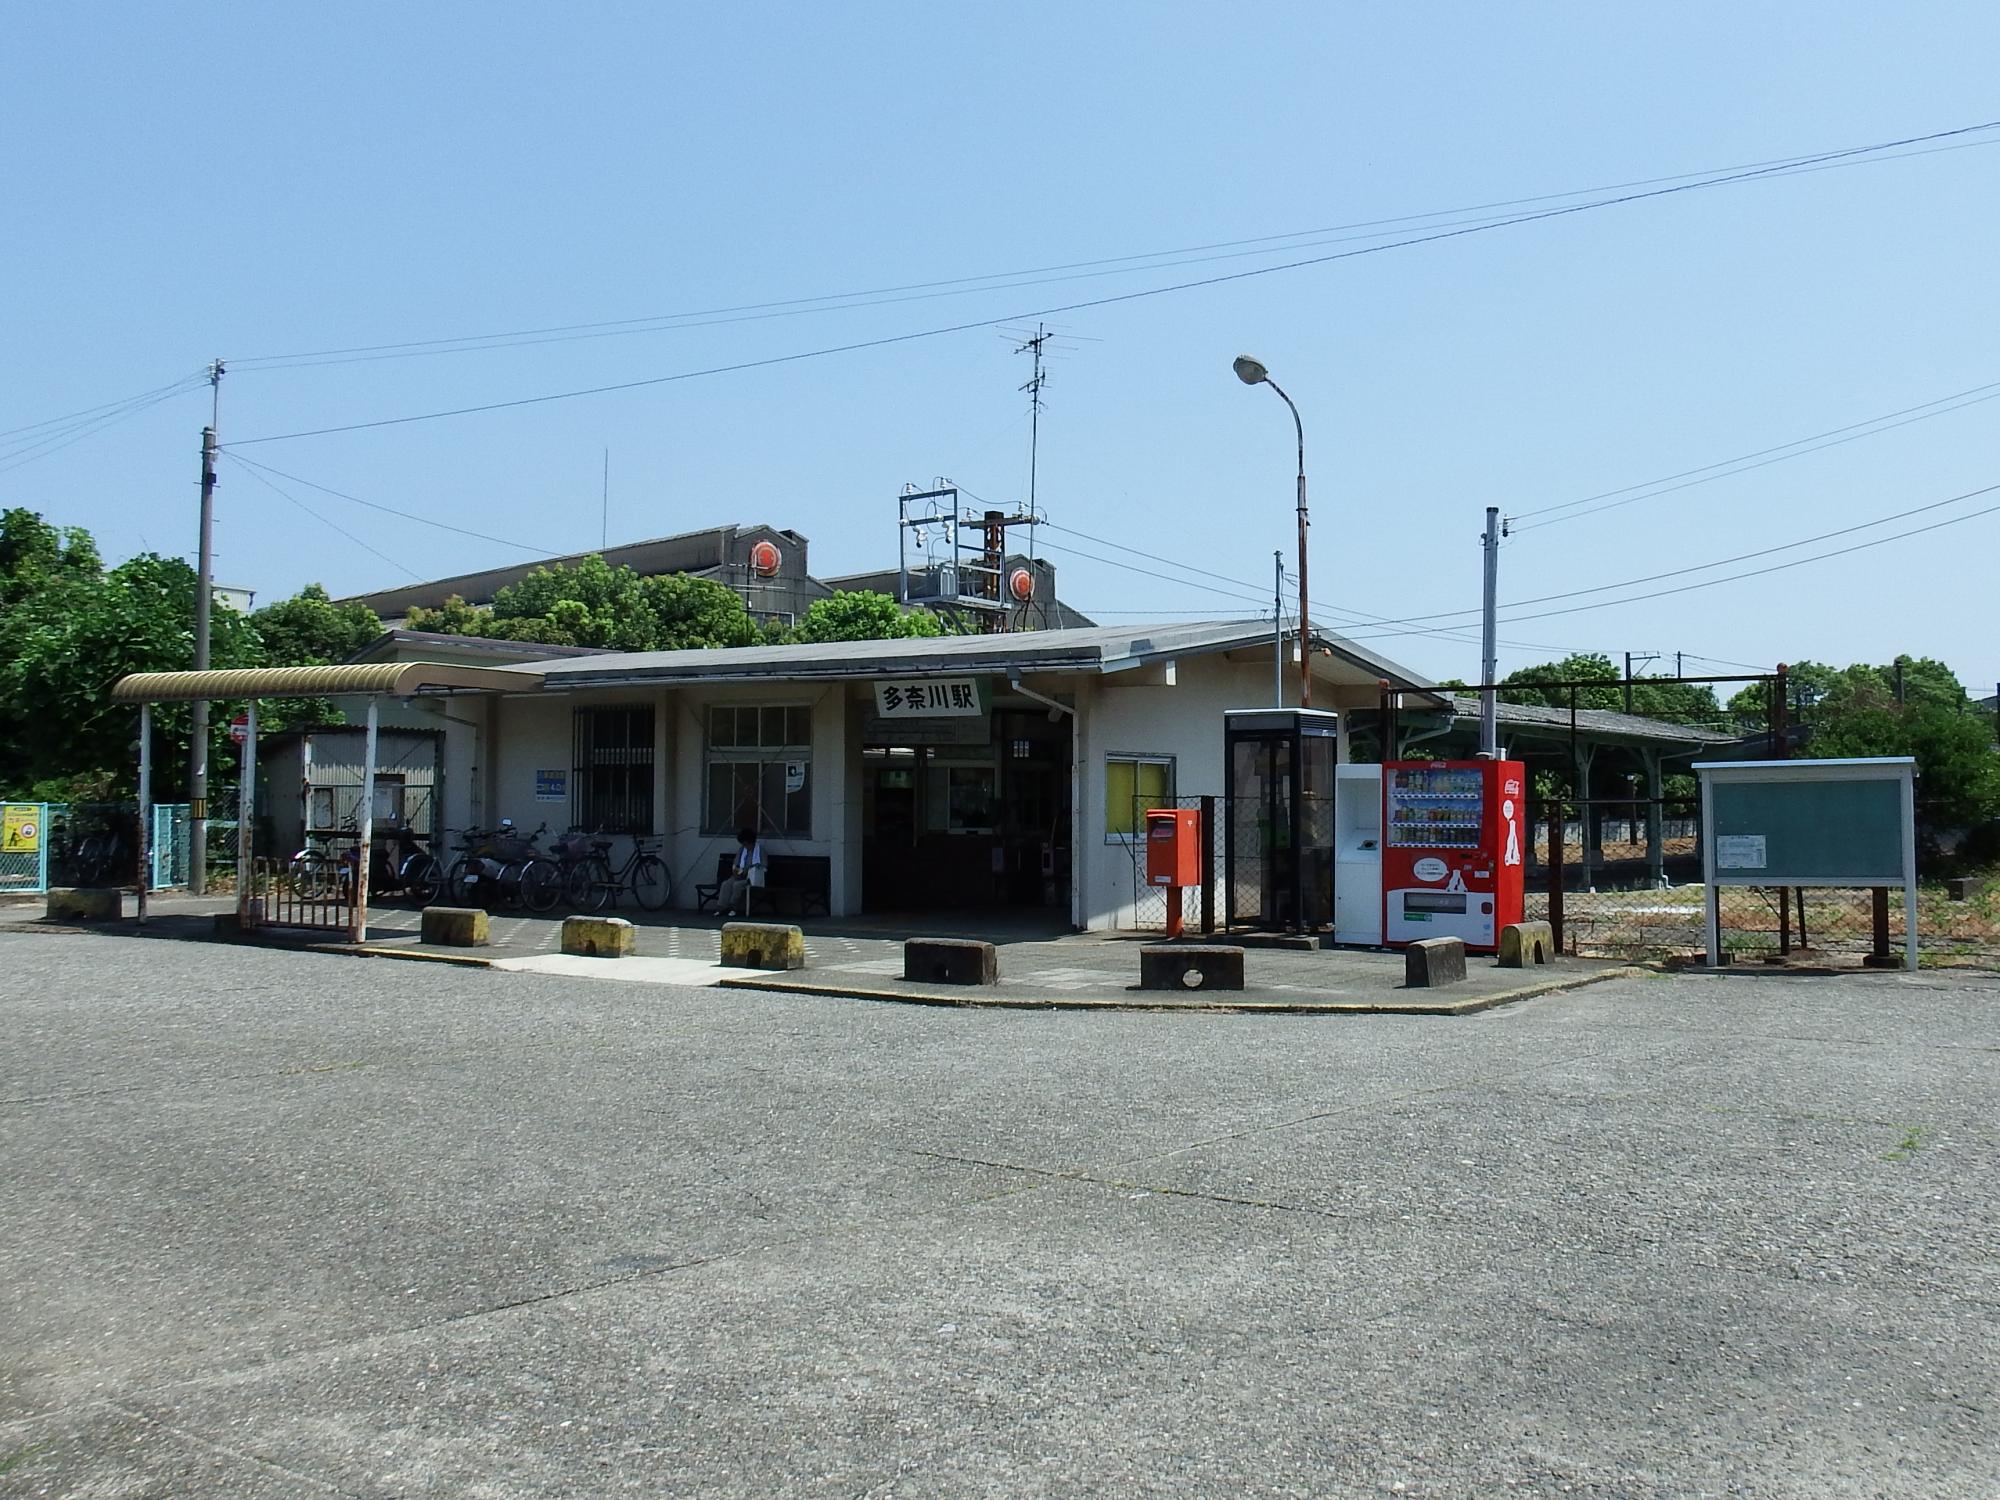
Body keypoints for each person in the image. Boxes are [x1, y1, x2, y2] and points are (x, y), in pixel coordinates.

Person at [716, 827, 765, 917]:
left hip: (752, 878)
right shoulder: (742, 849)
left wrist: (751, 870)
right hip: (740, 875)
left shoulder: (760, 850)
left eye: (746, 844)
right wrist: (736, 871)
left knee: (737, 885)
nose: (745, 846)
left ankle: (733, 908)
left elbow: (764, 866)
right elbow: (736, 863)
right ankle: (721, 907)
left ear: (751, 842)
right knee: (726, 884)